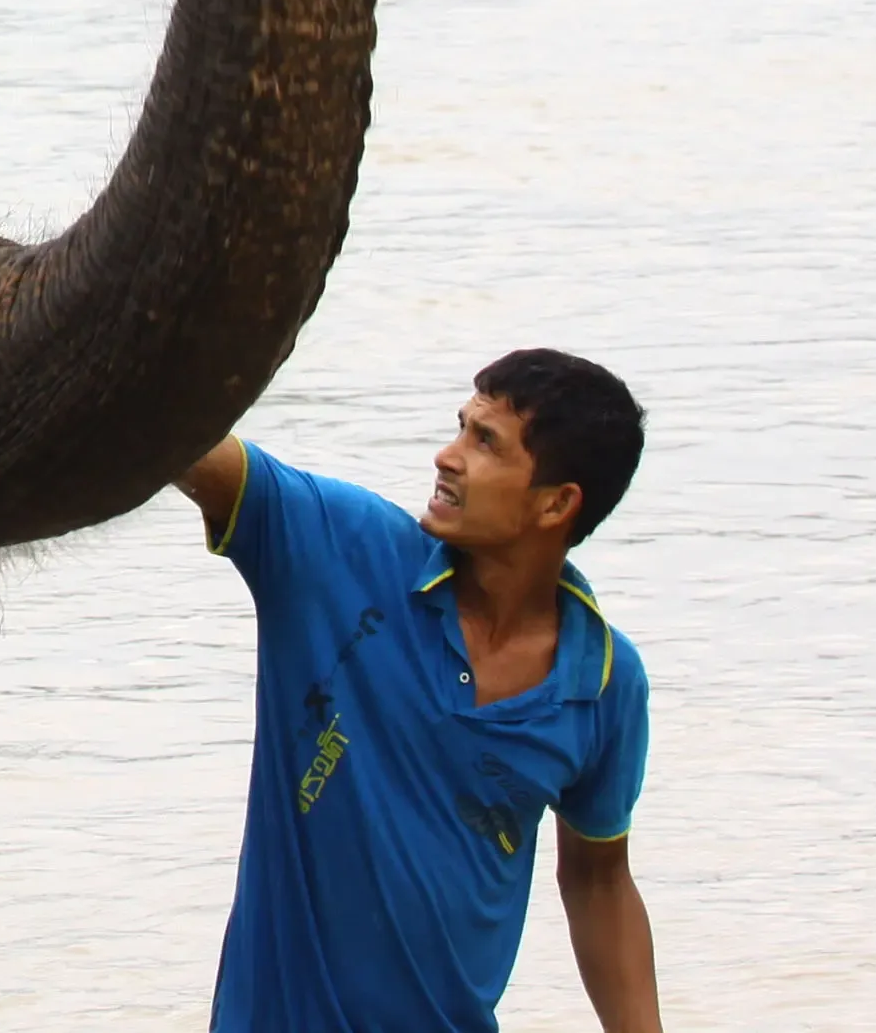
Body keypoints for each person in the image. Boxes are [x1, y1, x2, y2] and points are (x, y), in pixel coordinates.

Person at [170, 352, 664, 1033]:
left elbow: (598, 880)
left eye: (484, 441)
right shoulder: (337, 547)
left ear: (557, 502)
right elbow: (175, 438)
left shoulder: (605, 681)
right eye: (460, 427)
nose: (447, 456)